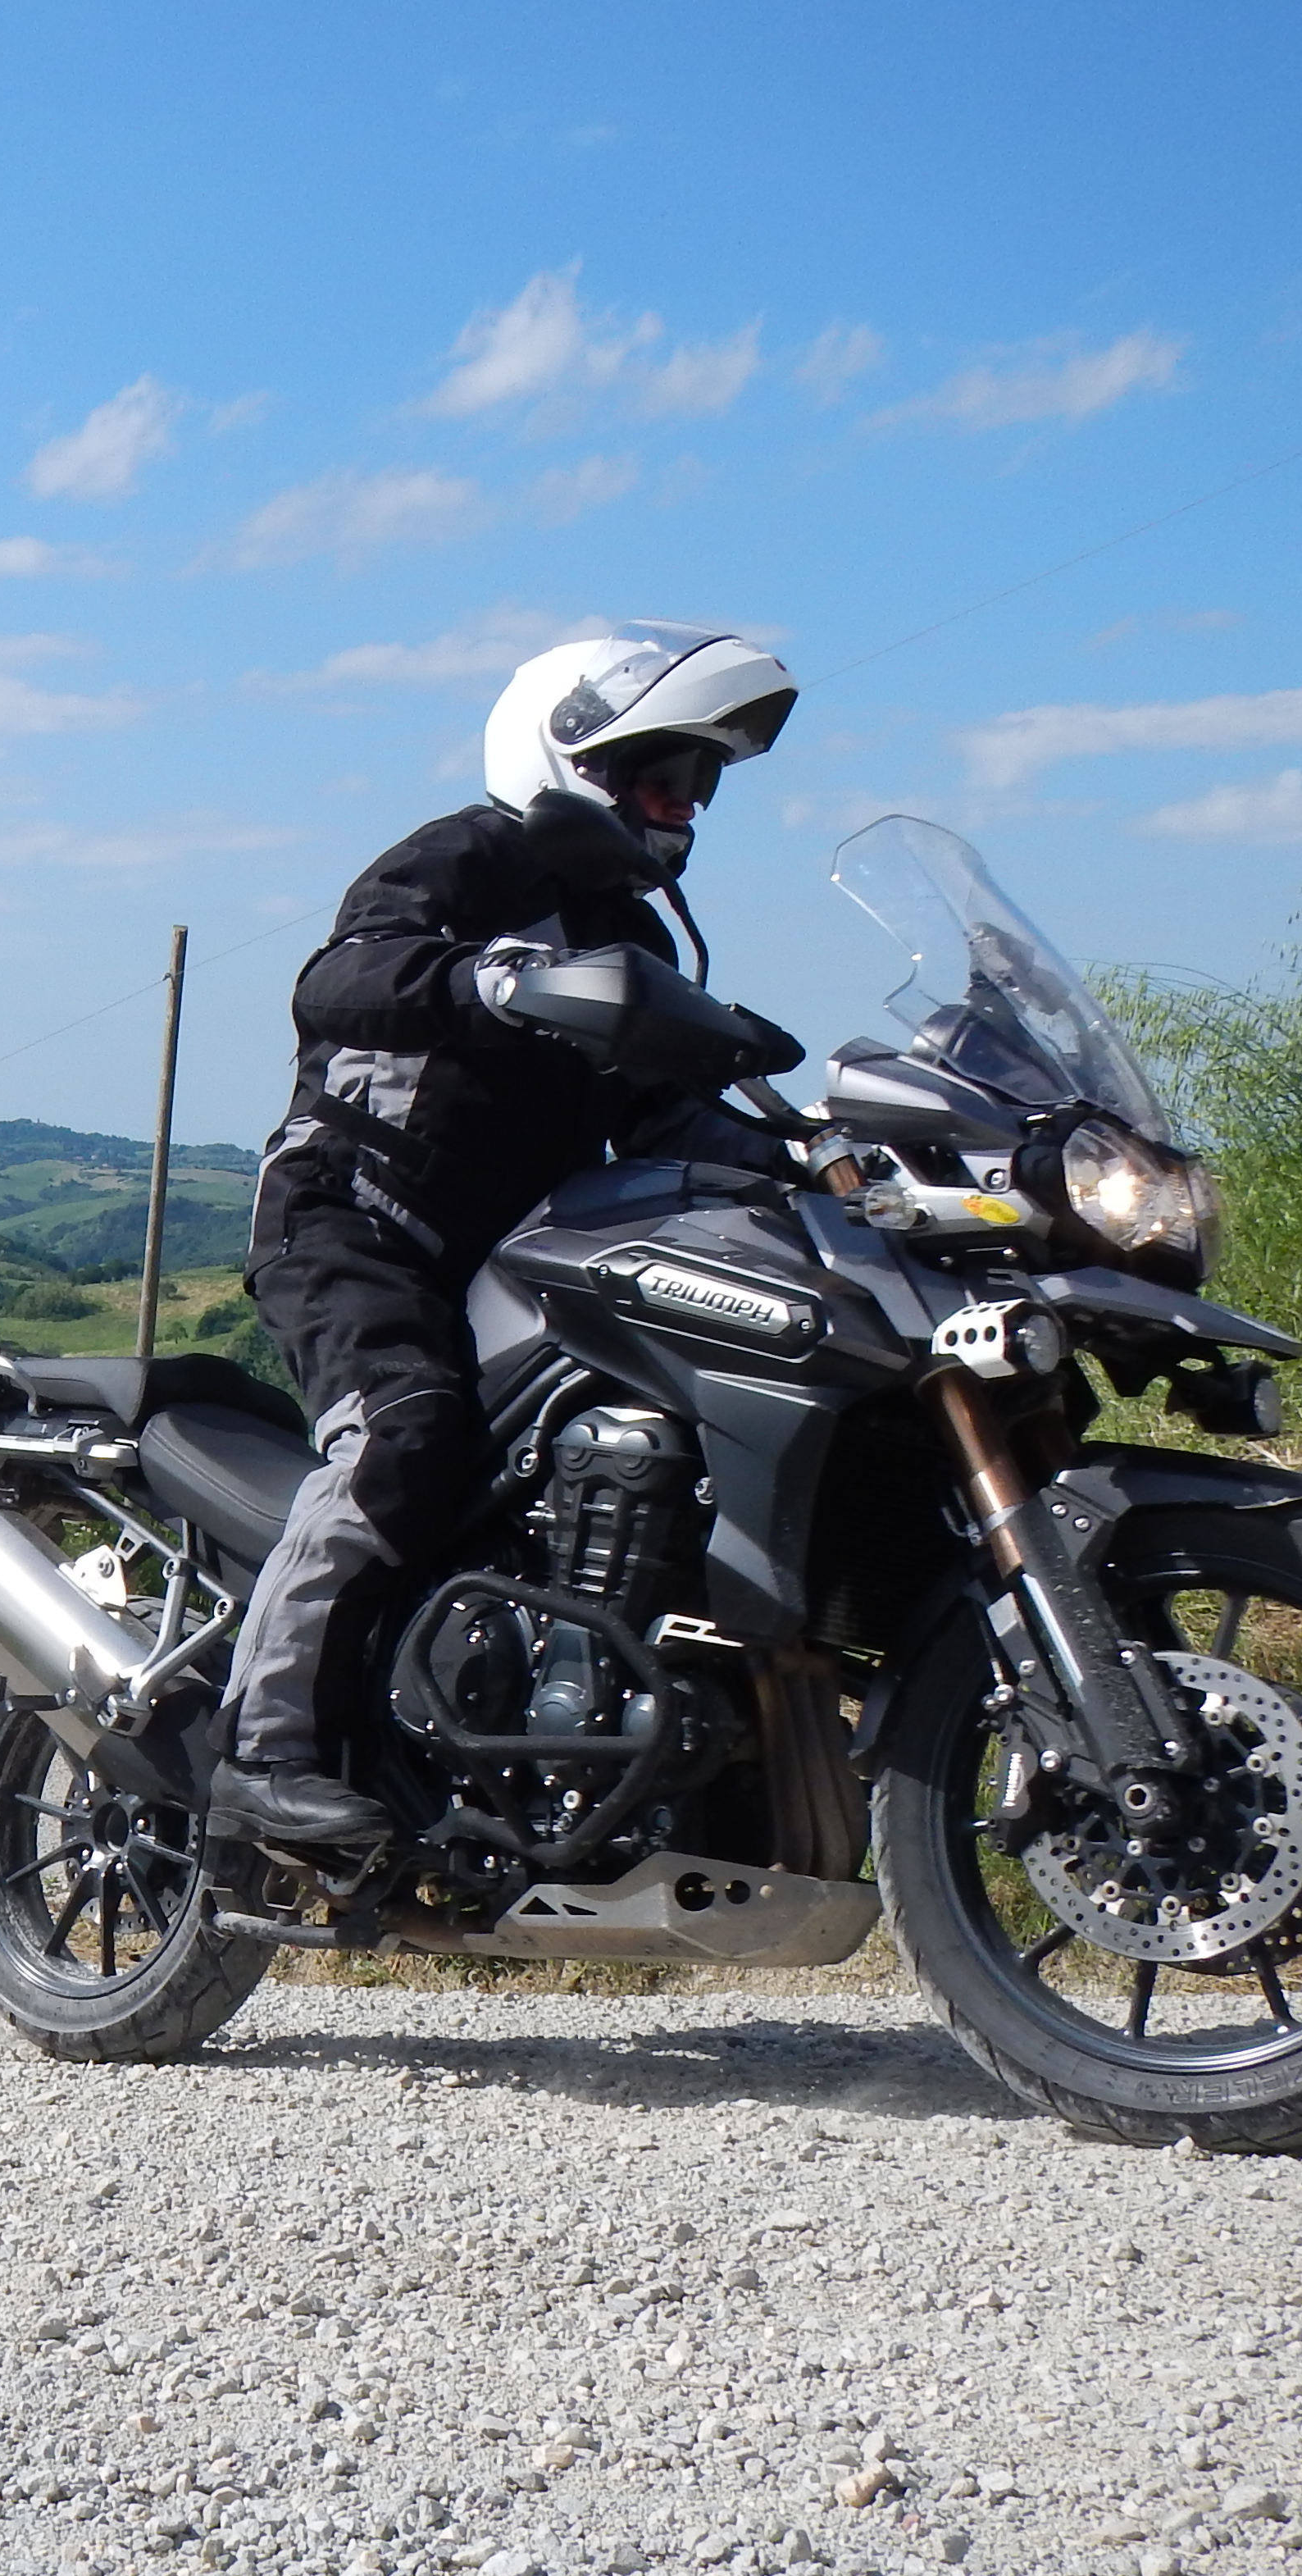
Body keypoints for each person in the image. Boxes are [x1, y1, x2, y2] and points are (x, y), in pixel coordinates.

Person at [208, 624, 799, 1849]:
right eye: (657, 774)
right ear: (568, 753)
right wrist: (489, 978)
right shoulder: (471, 854)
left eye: (697, 780)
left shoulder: (631, 943)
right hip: (354, 1216)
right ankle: (263, 1751)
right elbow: (343, 980)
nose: (680, 803)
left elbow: (655, 1114)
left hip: (501, 1259)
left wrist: (814, 1153)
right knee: (406, 1431)